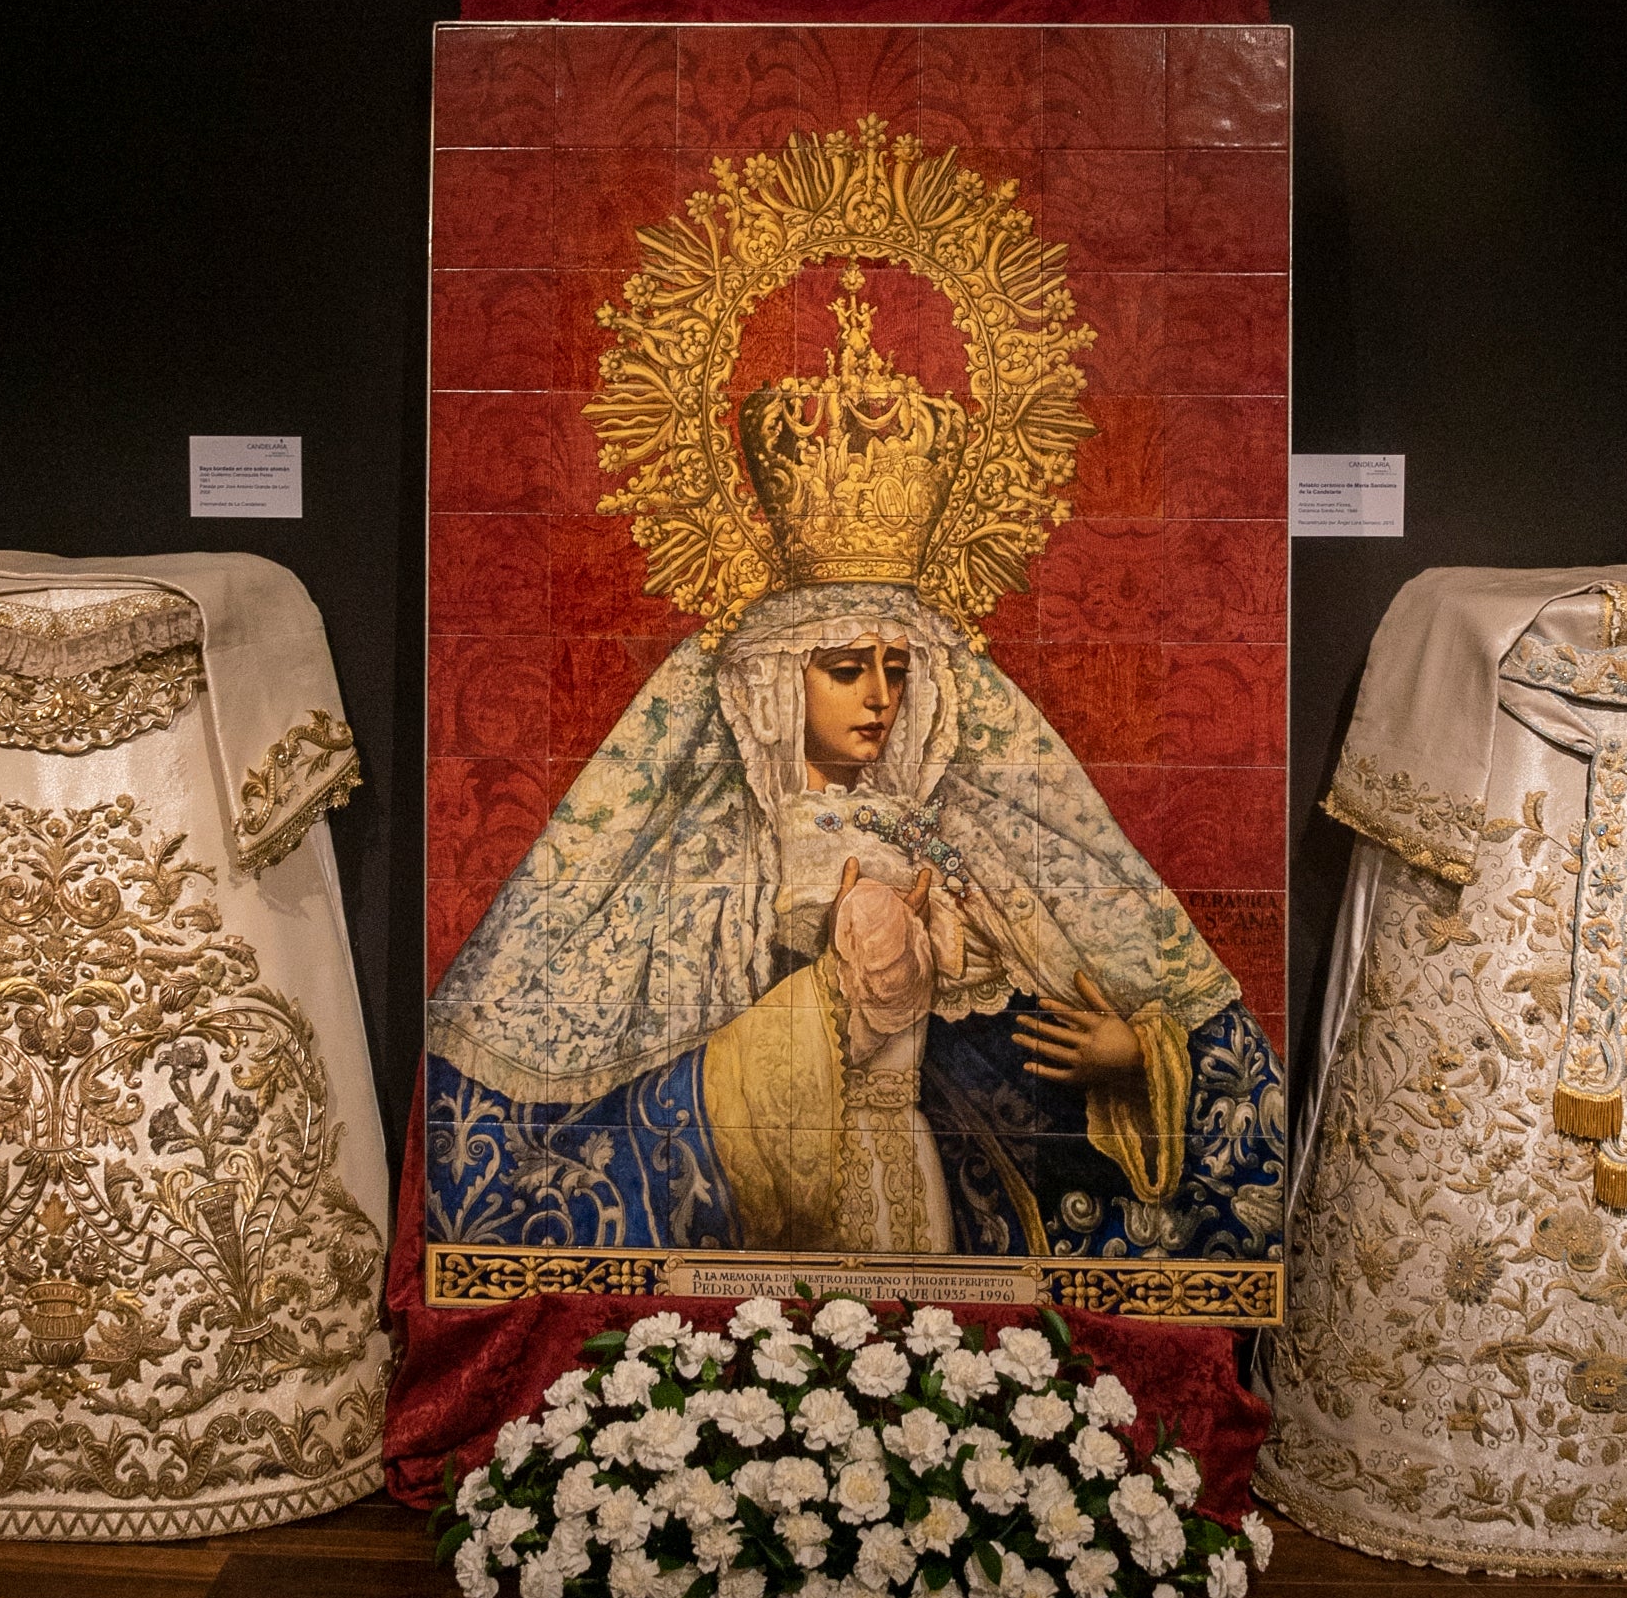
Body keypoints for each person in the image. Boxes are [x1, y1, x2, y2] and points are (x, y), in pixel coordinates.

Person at [425, 284, 1284, 1271]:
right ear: (770, 685)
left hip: (938, 1202)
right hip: (760, 1234)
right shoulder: (693, 856)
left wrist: (1136, 1062)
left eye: (899, 669)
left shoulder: (963, 839)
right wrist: (824, 1007)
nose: (878, 696)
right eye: (845, 669)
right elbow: (560, 1131)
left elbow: (1063, 1058)